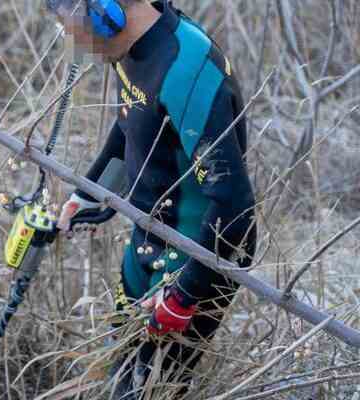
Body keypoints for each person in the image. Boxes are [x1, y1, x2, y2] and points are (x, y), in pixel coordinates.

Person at [46, 0, 257, 398]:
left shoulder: (186, 69)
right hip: (149, 236)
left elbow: (234, 206)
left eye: (68, 22)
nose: (67, 36)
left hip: (200, 249)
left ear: (104, 10)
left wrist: (184, 296)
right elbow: (134, 123)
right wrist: (87, 195)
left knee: (154, 387)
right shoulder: (129, 46)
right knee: (122, 371)